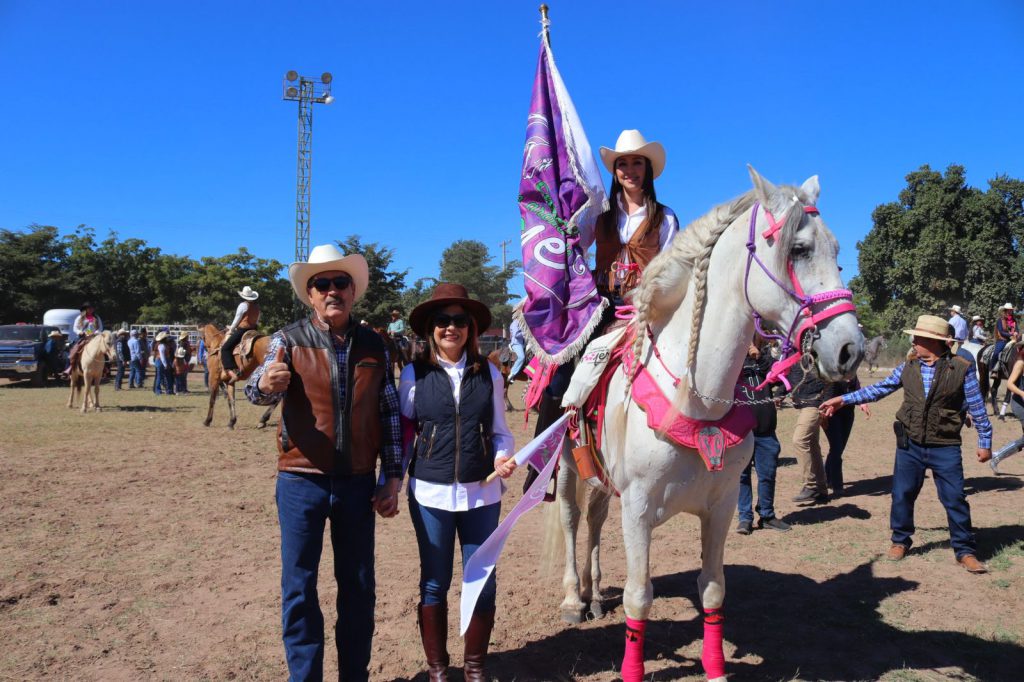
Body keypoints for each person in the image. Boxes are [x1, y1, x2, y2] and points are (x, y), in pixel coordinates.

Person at [245, 243, 402, 682]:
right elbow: (258, 390)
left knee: (358, 588)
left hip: (357, 484)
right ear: (310, 295)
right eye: (322, 284)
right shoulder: (288, 339)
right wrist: (266, 382)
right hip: (300, 481)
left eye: (340, 283)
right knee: (299, 588)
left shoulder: (375, 344)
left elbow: (388, 411)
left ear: (353, 291)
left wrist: (392, 477)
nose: (332, 291)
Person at [401, 283, 516, 682]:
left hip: (481, 493)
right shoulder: (413, 375)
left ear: (471, 328)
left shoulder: (490, 375)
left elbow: (501, 431)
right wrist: (390, 480)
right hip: (430, 493)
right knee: (434, 581)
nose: (452, 328)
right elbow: (404, 432)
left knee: (482, 580)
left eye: (460, 321)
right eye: (443, 321)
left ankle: (475, 668)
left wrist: (502, 456)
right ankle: (437, 670)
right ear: (431, 328)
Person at [534, 130, 680, 440]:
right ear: (615, 172)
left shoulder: (665, 218)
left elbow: (672, 269)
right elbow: (572, 248)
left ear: (648, 169)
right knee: (561, 381)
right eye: (623, 164)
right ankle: (543, 463)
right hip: (602, 309)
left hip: (646, 310)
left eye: (637, 163)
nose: (630, 170)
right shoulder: (598, 215)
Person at [820, 315, 992, 574]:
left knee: (955, 497)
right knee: (902, 494)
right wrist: (844, 399)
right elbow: (879, 389)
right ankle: (900, 540)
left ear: (935, 342)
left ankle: (964, 550)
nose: (914, 341)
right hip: (909, 442)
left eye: (919, 338)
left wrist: (985, 441)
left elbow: (977, 407)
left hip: (944, 444)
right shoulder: (908, 366)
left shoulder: (962, 367)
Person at [735, 336, 790, 534]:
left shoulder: (765, 358)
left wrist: (757, 357)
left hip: (766, 431)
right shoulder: (732, 360)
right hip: (741, 432)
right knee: (742, 476)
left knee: (767, 475)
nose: (749, 343)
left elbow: (780, 374)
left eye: (752, 339)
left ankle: (767, 515)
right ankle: (744, 518)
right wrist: (742, 355)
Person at [787, 360, 830, 505]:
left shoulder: (817, 356)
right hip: (805, 406)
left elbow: (830, 380)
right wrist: (781, 393)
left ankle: (810, 485)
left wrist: (827, 403)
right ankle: (821, 489)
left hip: (814, 405)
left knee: (799, 441)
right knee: (812, 446)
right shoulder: (795, 357)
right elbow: (793, 378)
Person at [990, 341, 1024, 472]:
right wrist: (1022, 393)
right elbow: (1010, 384)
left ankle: (997, 456)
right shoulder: (1020, 363)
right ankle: (995, 365)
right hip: (1020, 403)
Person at [222, 286, 260, 383]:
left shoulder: (243, 305)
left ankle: (233, 372)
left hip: (243, 330)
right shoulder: (257, 307)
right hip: (254, 330)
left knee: (225, 348)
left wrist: (231, 328)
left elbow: (237, 319)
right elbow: (257, 321)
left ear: (243, 296)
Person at [67, 302, 104, 372]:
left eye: (92, 308)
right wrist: (79, 332)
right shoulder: (80, 317)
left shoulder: (97, 317)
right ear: (85, 309)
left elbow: (100, 328)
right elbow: (75, 328)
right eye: (89, 308)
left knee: (103, 350)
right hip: (82, 337)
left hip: (94, 337)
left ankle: (104, 368)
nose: (91, 309)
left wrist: (95, 332)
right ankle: (69, 368)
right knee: (74, 350)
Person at [992, 303, 1018, 375]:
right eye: (1008, 310)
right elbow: (1001, 332)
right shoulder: (1000, 320)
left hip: (1013, 340)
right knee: (996, 352)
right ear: (1005, 311)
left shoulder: (1014, 321)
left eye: (1011, 310)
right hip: (1002, 340)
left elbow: (1017, 330)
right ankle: (993, 369)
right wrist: (1011, 334)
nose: (1010, 312)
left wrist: (1016, 332)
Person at [507, 317, 527, 382]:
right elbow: (516, 335)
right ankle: (512, 373)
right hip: (516, 344)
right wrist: (526, 333)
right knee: (521, 357)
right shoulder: (515, 323)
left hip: (523, 344)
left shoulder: (523, 323)